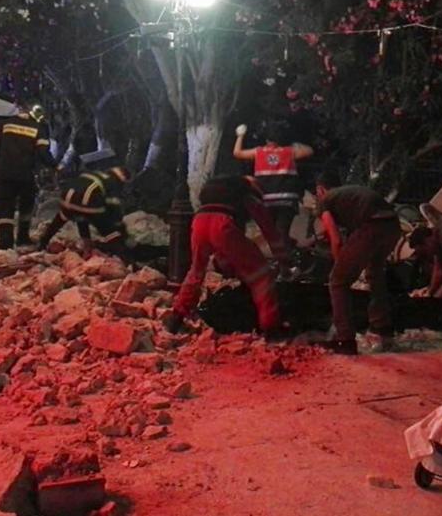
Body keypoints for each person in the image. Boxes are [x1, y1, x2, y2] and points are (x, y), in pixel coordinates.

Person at [166, 175, 289, 335]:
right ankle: (271, 327)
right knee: (261, 275)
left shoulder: (219, 188)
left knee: (196, 271)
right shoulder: (248, 195)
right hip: (222, 225)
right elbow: (269, 231)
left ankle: (176, 317)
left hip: (199, 222)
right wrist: (284, 261)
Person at [315, 172, 401, 355]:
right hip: (393, 225)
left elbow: (336, 239)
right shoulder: (347, 194)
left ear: (320, 189)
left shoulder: (324, 200)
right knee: (375, 273)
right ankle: (382, 328)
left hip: (371, 226)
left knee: (337, 281)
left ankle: (344, 339)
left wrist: (340, 267)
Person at [232, 121, 314, 251]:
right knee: (282, 232)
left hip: (266, 202)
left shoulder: (258, 152)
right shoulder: (290, 152)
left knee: (273, 235)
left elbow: (237, 153)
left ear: (266, 139)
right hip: (287, 202)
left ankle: (283, 262)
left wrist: (240, 136)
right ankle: (287, 261)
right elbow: (309, 151)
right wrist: (293, 142)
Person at [0, 105, 56, 250]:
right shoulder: (38, 129)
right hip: (25, 175)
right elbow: (44, 153)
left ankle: (5, 242)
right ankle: (23, 239)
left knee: (5, 206)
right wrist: (56, 167)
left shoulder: (3, 125)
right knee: (26, 206)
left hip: (5, 173)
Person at [36, 166, 131, 256]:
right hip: (86, 200)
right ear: (123, 178)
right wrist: (119, 226)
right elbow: (113, 205)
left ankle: (42, 244)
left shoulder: (96, 173)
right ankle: (126, 258)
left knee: (63, 220)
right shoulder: (113, 182)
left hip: (66, 198)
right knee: (106, 228)